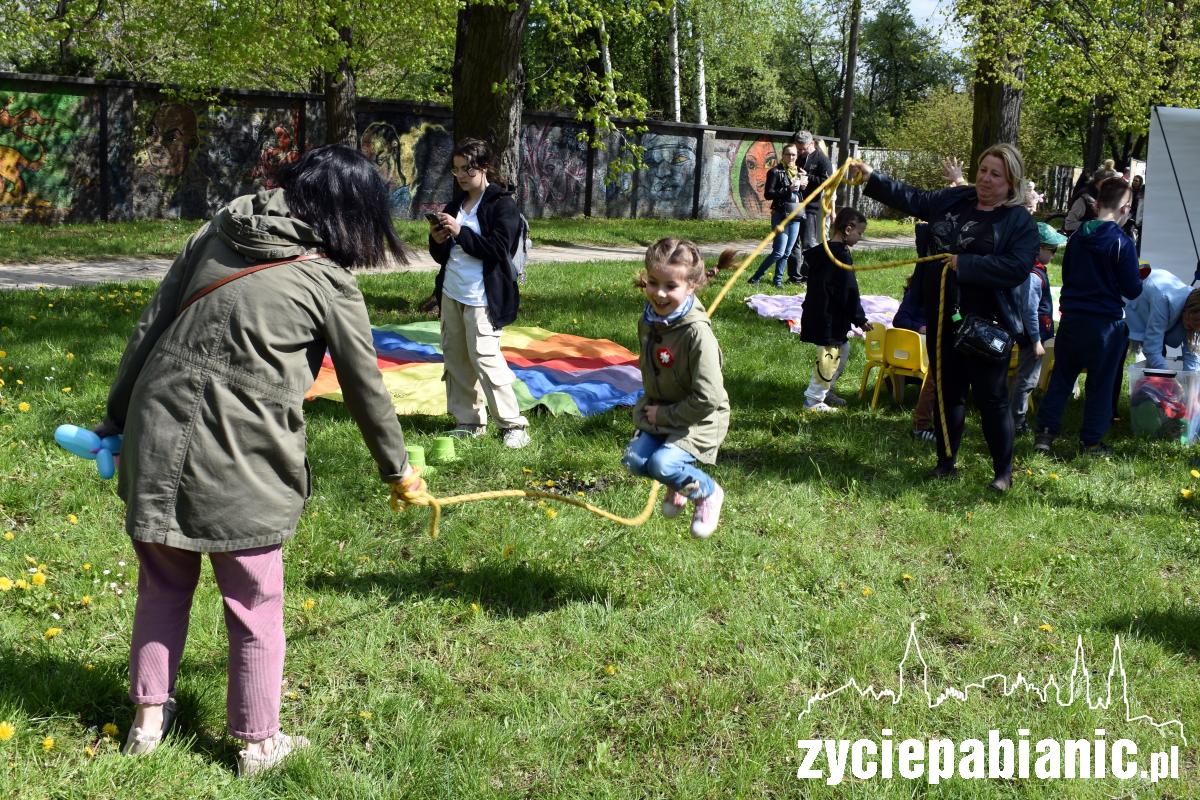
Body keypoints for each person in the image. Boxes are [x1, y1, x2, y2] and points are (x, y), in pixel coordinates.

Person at [96, 145, 427, 776]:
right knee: (254, 599)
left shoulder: (219, 227)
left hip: (156, 430)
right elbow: (366, 390)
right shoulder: (329, 281)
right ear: (354, 214)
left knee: (162, 580)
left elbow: (151, 325)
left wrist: (116, 418)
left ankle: (147, 722)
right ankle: (257, 742)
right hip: (241, 454)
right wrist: (397, 469)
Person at [850, 143, 1039, 492]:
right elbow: (915, 199)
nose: (985, 179)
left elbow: (1017, 267)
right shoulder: (957, 199)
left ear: (1011, 182)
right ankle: (945, 463)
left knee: (991, 397)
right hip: (940, 311)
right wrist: (873, 178)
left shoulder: (1019, 221)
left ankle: (1003, 473)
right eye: (983, 169)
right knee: (947, 392)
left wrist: (965, 264)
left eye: (995, 174)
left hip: (987, 321)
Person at [624, 239, 731, 539]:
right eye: (653, 282)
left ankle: (707, 492)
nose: (659, 293)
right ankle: (679, 484)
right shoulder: (650, 320)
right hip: (662, 408)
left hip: (698, 417)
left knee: (662, 463)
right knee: (634, 460)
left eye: (670, 286)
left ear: (691, 286)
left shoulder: (697, 334)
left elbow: (708, 397)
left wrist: (664, 416)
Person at [429, 138, 531, 448]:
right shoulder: (455, 204)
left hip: (483, 296)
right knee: (457, 358)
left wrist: (461, 233)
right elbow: (443, 255)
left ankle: (514, 425)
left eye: (467, 169)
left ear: (484, 168)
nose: (460, 176)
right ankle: (469, 421)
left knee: (485, 357)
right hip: (452, 292)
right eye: (456, 170)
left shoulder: (503, 204)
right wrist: (438, 239)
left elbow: (497, 250)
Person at [1035, 177, 1144, 456]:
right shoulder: (1122, 243)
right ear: (1125, 208)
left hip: (1072, 319)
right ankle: (1091, 442)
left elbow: (1068, 275)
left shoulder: (1076, 238)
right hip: (1106, 324)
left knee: (1061, 377)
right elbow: (1132, 290)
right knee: (1101, 383)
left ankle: (1044, 436)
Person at [799, 208, 871, 412]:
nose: (860, 237)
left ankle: (826, 390)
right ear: (848, 229)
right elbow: (848, 291)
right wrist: (859, 318)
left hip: (822, 313)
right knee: (828, 356)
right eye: (860, 232)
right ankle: (813, 401)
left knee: (844, 349)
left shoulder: (825, 250)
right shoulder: (840, 256)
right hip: (827, 316)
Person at [1010, 222, 1068, 434]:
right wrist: (1035, 340)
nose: (1053, 255)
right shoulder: (1033, 276)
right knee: (1027, 379)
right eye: (1051, 250)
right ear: (1038, 248)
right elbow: (1029, 310)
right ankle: (1016, 421)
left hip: (1035, 335)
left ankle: (1015, 418)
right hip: (1031, 337)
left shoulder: (1036, 271)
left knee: (1026, 378)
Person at [747, 142, 808, 288]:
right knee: (779, 252)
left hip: (795, 214)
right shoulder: (775, 171)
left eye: (794, 154)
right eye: (788, 154)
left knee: (787, 252)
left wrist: (803, 186)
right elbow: (768, 194)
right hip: (780, 214)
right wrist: (788, 188)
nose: (791, 157)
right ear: (783, 155)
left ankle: (778, 280)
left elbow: (798, 194)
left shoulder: (799, 172)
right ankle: (755, 277)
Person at [1124, 268, 1200, 372]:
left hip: (1163, 319)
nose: (1190, 327)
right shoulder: (1163, 299)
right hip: (1128, 309)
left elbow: (1192, 356)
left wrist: (1193, 386)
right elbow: (1152, 350)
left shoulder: (1196, 318)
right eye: (1191, 324)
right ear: (1188, 308)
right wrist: (1172, 382)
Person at [786, 131, 833, 283]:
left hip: (811, 207)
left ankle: (808, 276)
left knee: (808, 243)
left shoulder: (822, 159)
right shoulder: (797, 157)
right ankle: (794, 276)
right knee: (793, 242)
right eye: (798, 149)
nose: (800, 152)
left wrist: (809, 177)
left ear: (811, 143)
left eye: (803, 149)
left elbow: (827, 182)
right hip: (795, 204)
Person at [1063, 161, 1120, 235]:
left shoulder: (1106, 197)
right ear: (1101, 182)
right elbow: (1069, 225)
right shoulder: (1084, 198)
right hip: (1082, 242)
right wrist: (1094, 225)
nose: (1113, 187)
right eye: (1111, 183)